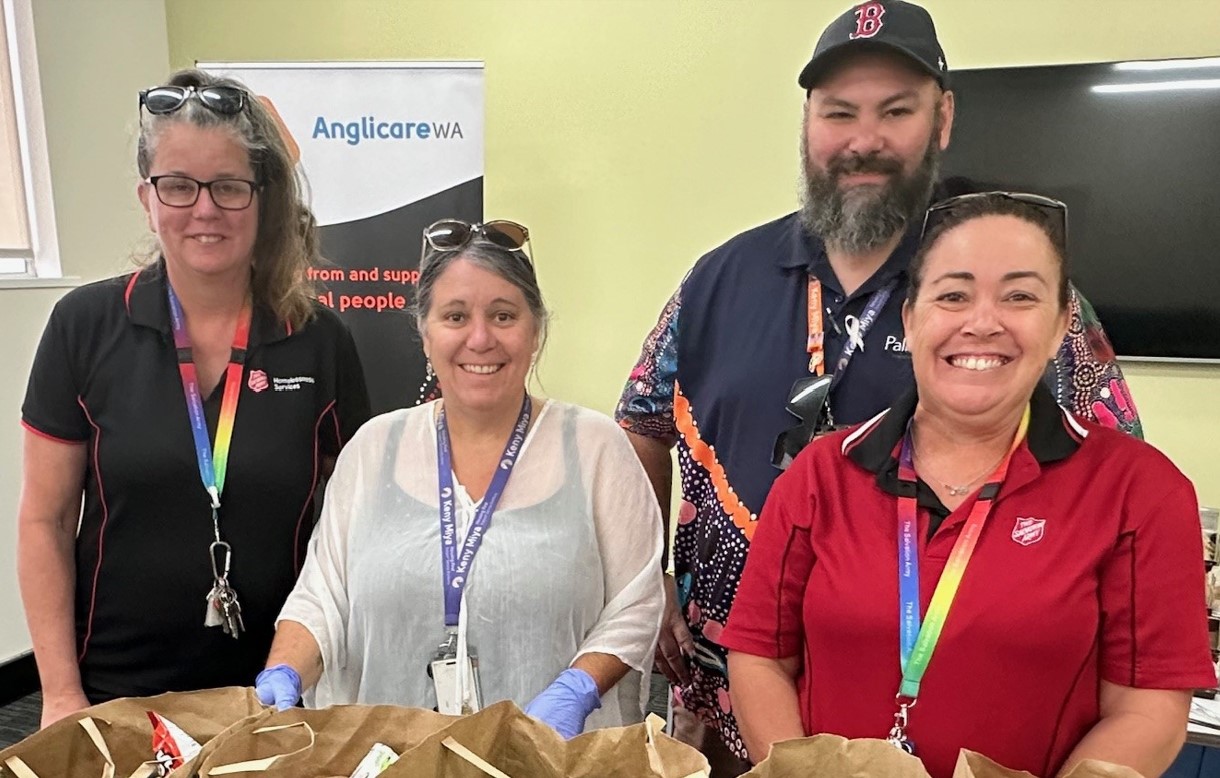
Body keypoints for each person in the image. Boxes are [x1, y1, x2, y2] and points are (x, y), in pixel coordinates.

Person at [615, 2, 1141, 771]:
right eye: (840, 113)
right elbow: (640, 423)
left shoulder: (1001, 297)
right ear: (807, 123)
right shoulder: (717, 279)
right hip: (721, 714)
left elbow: (1112, 471)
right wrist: (647, 578)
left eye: (896, 111)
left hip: (951, 729)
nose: (865, 140)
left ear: (943, 118)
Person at [719, 192, 1214, 778]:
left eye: (1020, 296)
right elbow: (759, 657)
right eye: (952, 295)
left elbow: (1147, 706)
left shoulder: (1140, 491)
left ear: (1060, 327)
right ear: (912, 319)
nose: (982, 323)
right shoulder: (821, 474)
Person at [17, 69, 371, 726]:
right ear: (147, 197)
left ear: (262, 199)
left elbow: (357, 528)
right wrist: (61, 692)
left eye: (229, 187)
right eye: (178, 185)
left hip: (275, 692)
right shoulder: (84, 325)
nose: (204, 209)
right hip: (113, 694)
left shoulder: (320, 342)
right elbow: (44, 519)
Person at [254, 220, 664, 739]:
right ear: (424, 333)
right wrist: (285, 670)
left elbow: (639, 601)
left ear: (535, 331)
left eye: (503, 315)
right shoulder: (373, 450)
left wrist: (578, 689)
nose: (479, 337)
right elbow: (322, 597)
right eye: (455, 316)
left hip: (550, 764)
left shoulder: (595, 448)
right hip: (391, 763)